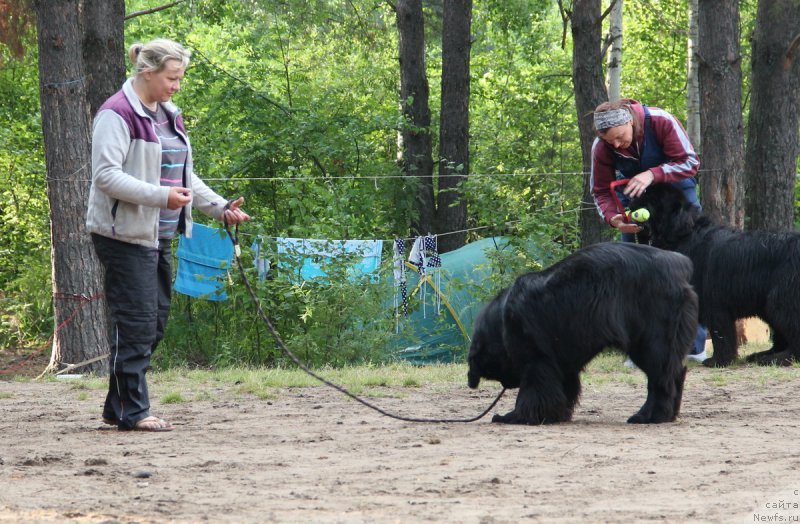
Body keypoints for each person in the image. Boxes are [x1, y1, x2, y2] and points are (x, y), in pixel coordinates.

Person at [86, 39, 250, 431]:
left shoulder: (168, 114)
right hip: (123, 234)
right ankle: (133, 411)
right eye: (172, 78)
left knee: (154, 323)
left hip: (158, 234)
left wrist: (220, 207)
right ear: (148, 72)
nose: (177, 86)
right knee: (137, 322)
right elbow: (106, 176)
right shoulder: (117, 113)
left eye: (179, 78)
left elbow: (183, 175)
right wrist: (162, 197)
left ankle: (117, 406)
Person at [590, 98, 707, 364]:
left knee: (690, 269)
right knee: (634, 275)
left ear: (630, 122)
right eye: (610, 141)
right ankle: (639, 351)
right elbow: (600, 191)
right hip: (634, 205)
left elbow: (690, 162)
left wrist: (653, 174)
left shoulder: (661, 121)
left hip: (677, 203)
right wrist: (614, 218)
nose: (616, 145)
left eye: (620, 137)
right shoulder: (601, 147)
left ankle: (694, 346)